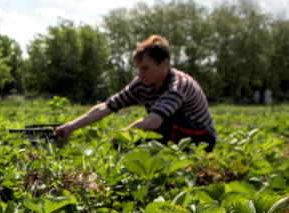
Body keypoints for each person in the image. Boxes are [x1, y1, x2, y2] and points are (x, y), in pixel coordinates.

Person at [54, 35, 217, 152]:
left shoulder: (179, 84)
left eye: (146, 68)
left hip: (202, 136)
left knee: (161, 122)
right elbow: (107, 106)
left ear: (164, 64)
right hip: (171, 133)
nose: (140, 74)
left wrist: (119, 136)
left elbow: (153, 121)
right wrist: (70, 127)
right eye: (138, 68)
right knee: (140, 137)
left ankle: (178, 159)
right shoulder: (142, 83)